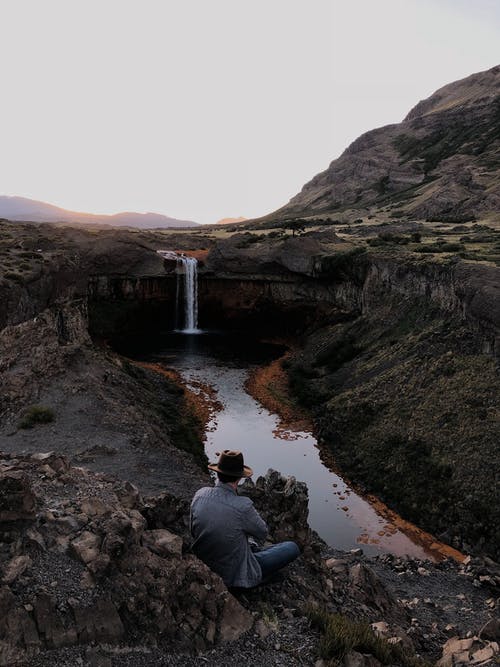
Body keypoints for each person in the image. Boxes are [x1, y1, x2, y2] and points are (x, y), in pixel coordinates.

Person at [190, 450, 300, 588]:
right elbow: (263, 532)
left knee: (244, 542)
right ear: (238, 478)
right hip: (232, 575)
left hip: (204, 563)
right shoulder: (243, 506)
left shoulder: (200, 494)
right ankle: (257, 578)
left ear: (218, 473)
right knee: (292, 547)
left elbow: (193, 530)